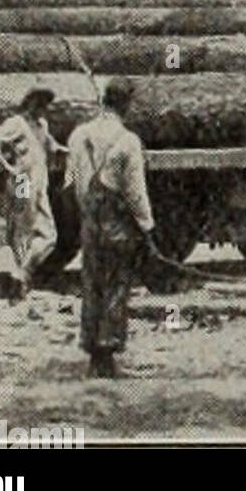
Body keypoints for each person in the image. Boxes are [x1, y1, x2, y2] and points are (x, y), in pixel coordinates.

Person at [65, 78, 157, 379]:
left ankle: (93, 355)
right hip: (117, 222)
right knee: (117, 285)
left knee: (92, 284)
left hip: (90, 219)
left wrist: (85, 213)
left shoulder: (79, 135)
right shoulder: (128, 140)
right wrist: (147, 226)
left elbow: (70, 183)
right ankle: (107, 357)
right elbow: (135, 192)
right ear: (126, 105)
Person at [0, 87, 62, 300]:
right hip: (21, 181)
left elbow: (52, 146)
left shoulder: (42, 125)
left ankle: (21, 274)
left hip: (39, 183)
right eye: (39, 103)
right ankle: (21, 284)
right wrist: (8, 167)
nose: (43, 108)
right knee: (21, 233)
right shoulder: (16, 123)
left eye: (45, 104)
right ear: (29, 103)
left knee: (48, 235)